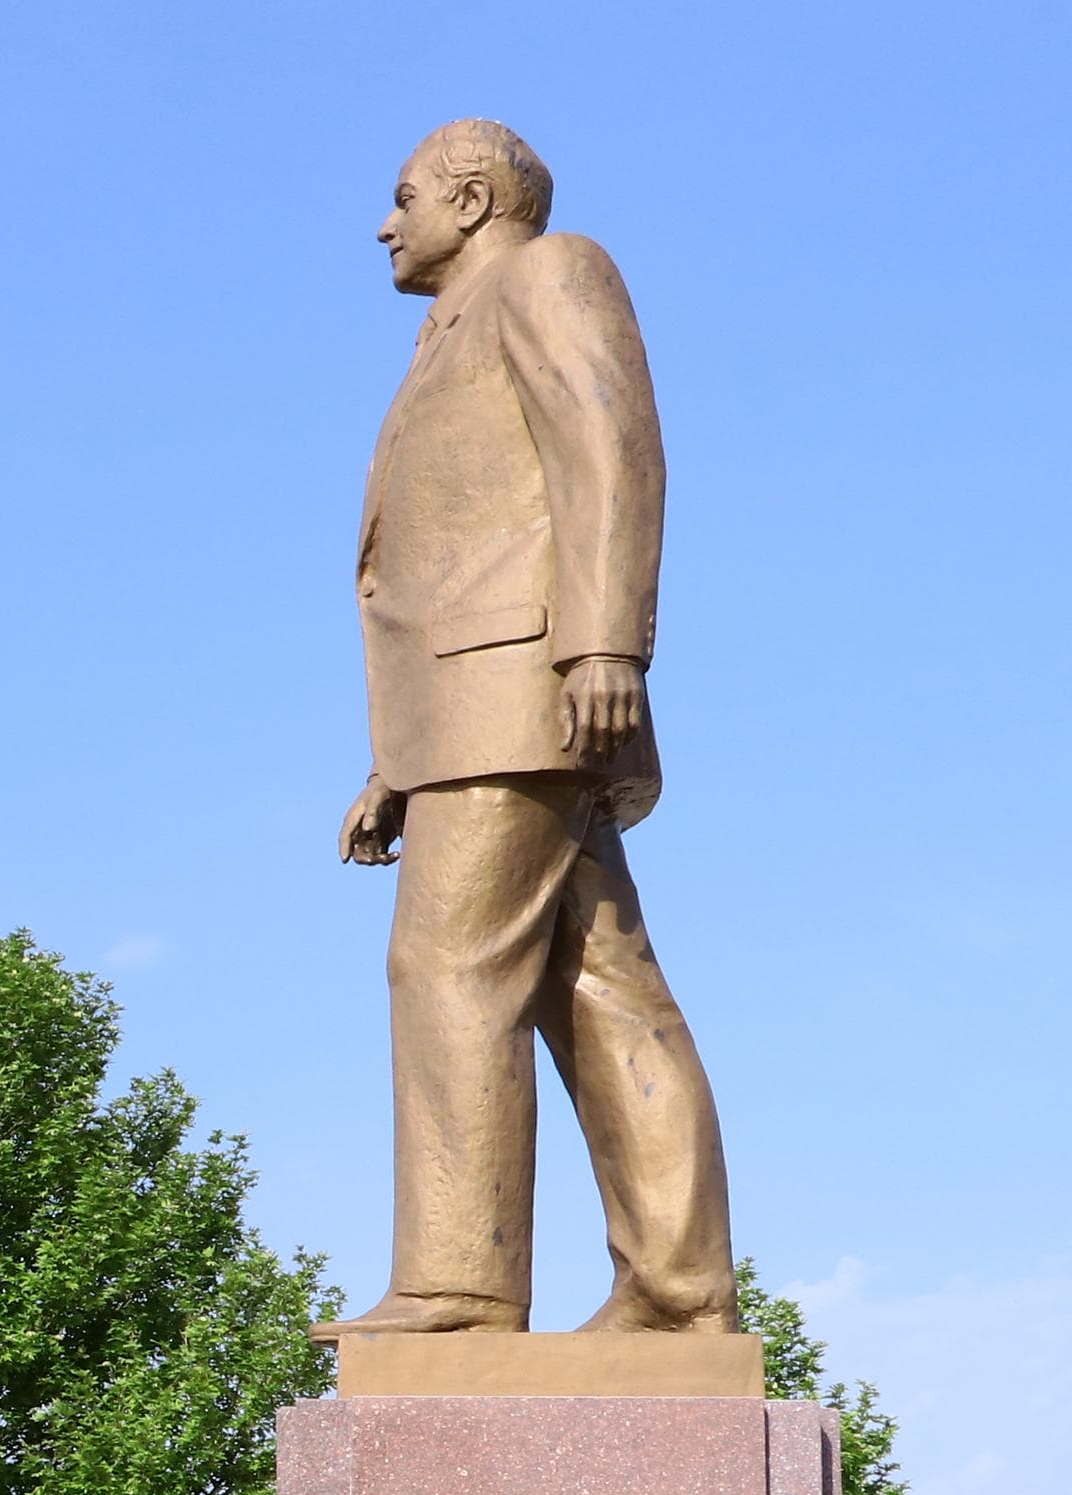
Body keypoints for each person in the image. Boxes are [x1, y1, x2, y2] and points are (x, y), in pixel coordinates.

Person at [330, 119, 732, 1338]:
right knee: (597, 981)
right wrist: (395, 766)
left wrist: (604, 641)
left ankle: (458, 1282)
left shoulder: (550, 272)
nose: (384, 224)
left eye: (402, 198)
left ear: (469, 195)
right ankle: (677, 1291)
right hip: (477, 709)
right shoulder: (441, 334)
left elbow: (610, 448)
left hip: (523, 692)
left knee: (447, 964)